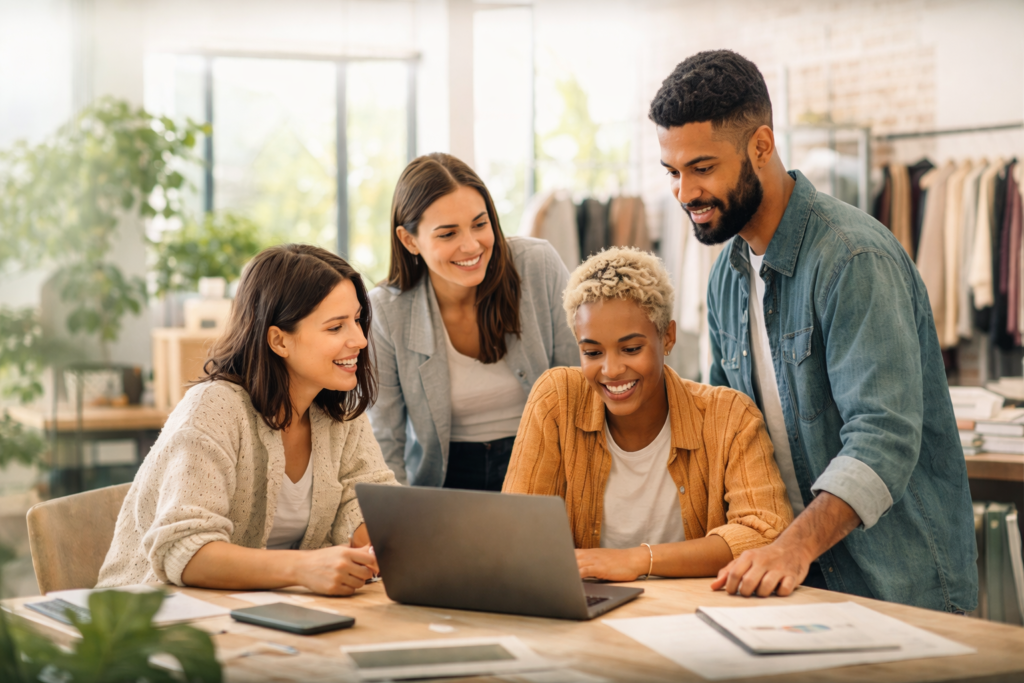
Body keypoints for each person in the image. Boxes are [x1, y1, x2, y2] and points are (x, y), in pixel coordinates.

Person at [650, 50, 977, 611]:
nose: (684, 193)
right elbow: (728, 434)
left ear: (761, 146)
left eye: (702, 168)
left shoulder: (852, 258)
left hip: (896, 586)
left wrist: (792, 548)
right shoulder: (726, 278)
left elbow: (883, 436)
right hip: (795, 584)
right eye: (674, 173)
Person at [97, 245, 398, 595]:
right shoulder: (212, 409)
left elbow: (366, 507)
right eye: (335, 327)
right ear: (278, 340)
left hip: (268, 615)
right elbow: (185, 550)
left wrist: (393, 539)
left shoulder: (337, 412)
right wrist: (304, 569)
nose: (360, 339)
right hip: (157, 618)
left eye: (358, 319)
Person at [503, 247, 793, 580]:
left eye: (631, 349)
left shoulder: (730, 417)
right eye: (592, 352)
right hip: (590, 614)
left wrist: (640, 560)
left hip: (690, 615)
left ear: (667, 337)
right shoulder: (557, 400)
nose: (611, 370)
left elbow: (766, 533)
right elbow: (517, 534)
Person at [368, 153, 577, 490]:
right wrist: (394, 527)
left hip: (543, 463)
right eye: (448, 234)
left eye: (480, 224)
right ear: (410, 241)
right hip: (445, 481)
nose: (471, 245)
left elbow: (578, 381)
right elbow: (386, 440)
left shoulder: (537, 265)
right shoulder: (386, 311)